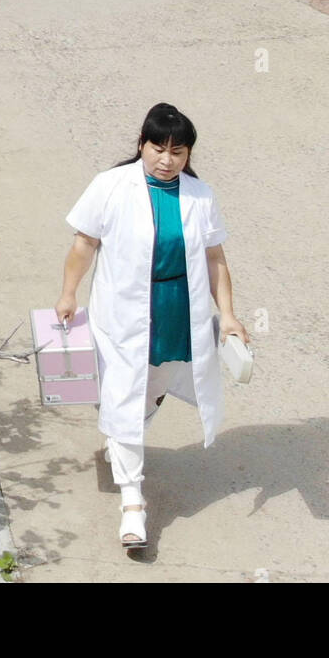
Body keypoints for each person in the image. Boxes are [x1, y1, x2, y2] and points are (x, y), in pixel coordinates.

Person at [55, 102, 249, 549]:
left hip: (177, 306)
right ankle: (133, 503)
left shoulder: (200, 195)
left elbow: (215, 258)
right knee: (125, 389)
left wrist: (230, 316)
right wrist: (68, 293)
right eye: (157, 148)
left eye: (177, 151)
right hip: (122, 309)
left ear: (188, 153)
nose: (166, 160)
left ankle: (121, 432)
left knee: (152, 386)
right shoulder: (111, 186)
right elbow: (84, 243)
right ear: (141, 145)